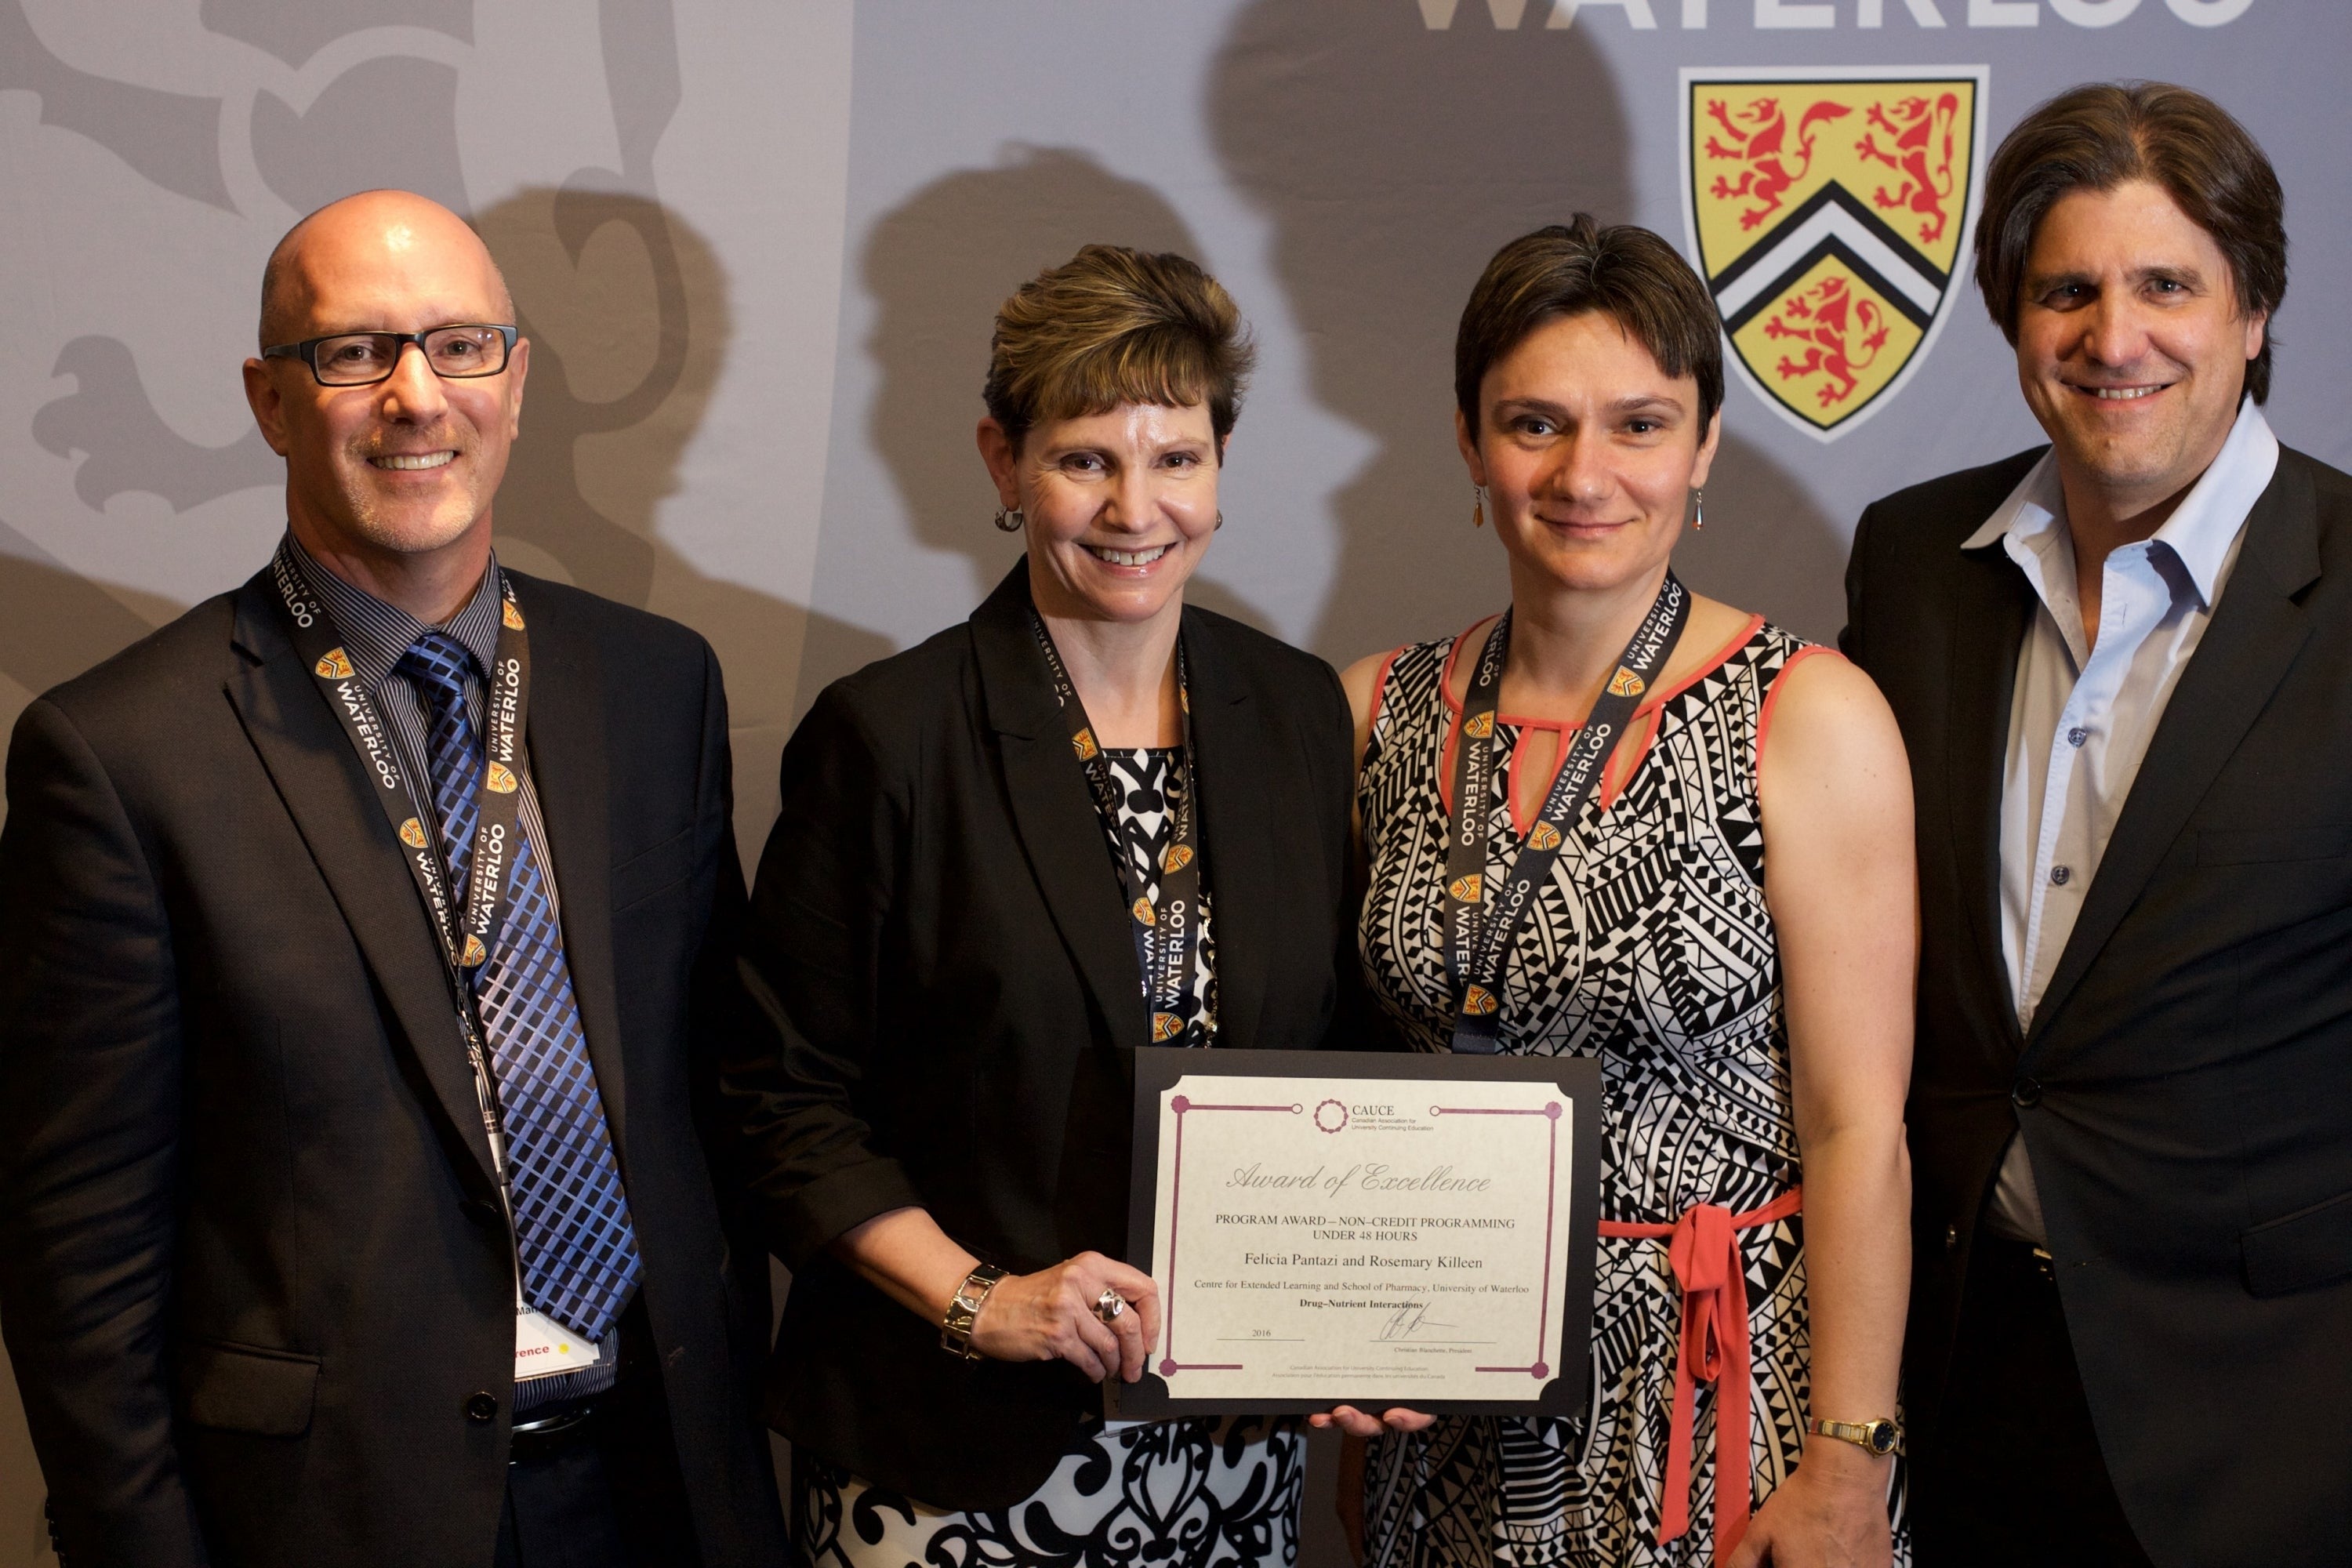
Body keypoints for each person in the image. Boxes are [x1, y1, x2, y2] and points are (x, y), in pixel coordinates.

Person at [0, 191, 783, 1567]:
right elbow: (79, 1259)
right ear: (269, 399)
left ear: (517, 380)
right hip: (342, 1512)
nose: (417, 398)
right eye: (356, 353)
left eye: (460, 346)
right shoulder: (120, 756)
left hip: (669, 1482)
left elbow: (727, 1088)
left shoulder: (659, 688)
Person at [724, 244, 1355, 1566]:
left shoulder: (1297, 711)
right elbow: (778, 1097)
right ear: (1004, 465)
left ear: (1222, 469)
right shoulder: (889, 738)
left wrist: (1362, 1316)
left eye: (1176, 458)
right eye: (1086, 459)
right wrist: (980, 1302)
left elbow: (1340, 1055)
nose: (1137, 509)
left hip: (1227, 1460)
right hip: (957, 1457)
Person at [1337, 218, 1916, 1567]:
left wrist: (1848, 1459)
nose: (1584, 474)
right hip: (1444, 1409)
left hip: (1719, 1410)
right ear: (1472, 444)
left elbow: (1855, 1128)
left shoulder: (1806, 715)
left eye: (1639, 425)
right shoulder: (1374, 712)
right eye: (1534, 423)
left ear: (1705, 446)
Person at [1842, 82, 2352, 1565]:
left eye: (2168, 286)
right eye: (2066, 289)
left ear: (2256, 312)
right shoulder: (1916, 563)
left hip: (2275, 1419)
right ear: (2013, 325)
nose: (2113, 339)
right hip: (1961, 1382)